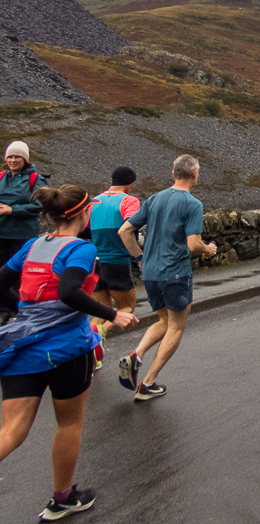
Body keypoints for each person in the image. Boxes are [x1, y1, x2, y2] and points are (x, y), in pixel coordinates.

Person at [0, 184, 138, 521]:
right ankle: (61, 498)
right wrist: (112, 314)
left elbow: (2, 280)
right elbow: (68, 291)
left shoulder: (33, 246)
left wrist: (24, 311)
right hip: (68, 348)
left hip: (21, 346)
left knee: (11, 431)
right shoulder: (82, 249)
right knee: (69, 424)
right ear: (83, 213)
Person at [116, 154, 217, 401]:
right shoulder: (192, 203)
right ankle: (147, 383)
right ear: (195, 174)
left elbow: (125, 230)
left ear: (173, 174)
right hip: (175, 273)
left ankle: (135, 355)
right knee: (176, 326)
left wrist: (139, 259)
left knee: (163, 319)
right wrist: (208, 249)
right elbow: (193, 244)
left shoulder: (154, 199)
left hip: (150, 272)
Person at [87, 167, 142, 354]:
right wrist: (139, 255)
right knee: (127, 306)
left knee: (101, 311)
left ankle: (87, 348)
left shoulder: (94, 200)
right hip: (117, 260)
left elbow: (84, 229)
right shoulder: (129, 200)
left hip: (94, 261)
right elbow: (130, 226)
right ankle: (98, 335)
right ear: (130, 183)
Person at [0, 141, 42, 322]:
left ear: (25, 159)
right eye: (10, 156)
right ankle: (4, 309)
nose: (13, 160)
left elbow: (39, 205)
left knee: (20, 272)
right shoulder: (1, 177)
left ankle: (20, 310)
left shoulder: (35, 179)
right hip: (1, 233)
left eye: (17, 156)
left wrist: (13, 210)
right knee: (2, 272)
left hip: (23, 234)